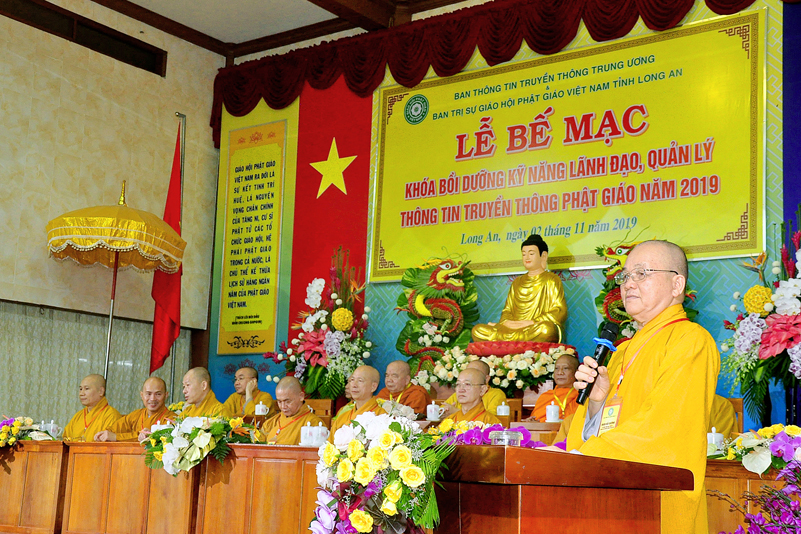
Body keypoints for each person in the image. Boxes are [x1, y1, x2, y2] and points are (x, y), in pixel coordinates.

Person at [566, 240, 719, 534]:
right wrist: (596, 404)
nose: (628, 284)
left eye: (642, 273)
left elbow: (667, 427)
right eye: (625, 276)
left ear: (677, 285)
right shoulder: (621, 351)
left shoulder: (690, 340)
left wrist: (589, 455)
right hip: (606, 491)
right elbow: (600, 430)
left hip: (655, 501)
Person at [471, 234, 567, 342]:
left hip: (533, 328)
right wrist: (507, 322)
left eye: (531, 253)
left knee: (546, 330)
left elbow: (559, 311)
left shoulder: (551, 279)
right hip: (512, 330)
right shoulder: (517, 282)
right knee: (477, 330)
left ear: (543, 256)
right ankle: (515, 341)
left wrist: (531, 322)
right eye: (524, 254)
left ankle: (511, 342)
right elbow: (507, 310)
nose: (527, 257)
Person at [94, 377, 175, 442]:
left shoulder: (172, 418)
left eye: (158, 394)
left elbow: (156, 437)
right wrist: (104, 434)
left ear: (166, 395)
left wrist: (116, 437)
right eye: (148, 394)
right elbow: (114, 429)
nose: (152, 398)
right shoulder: (136, 415)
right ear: (142, 395)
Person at [260, 376, 323, 445]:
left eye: (287, 401)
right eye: (279, 402)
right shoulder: (272, 422)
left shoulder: (313, 424)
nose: (283, 407)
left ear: (301, 396)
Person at [329, 365, 385, 439]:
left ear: (373, 387)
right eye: (352, 380)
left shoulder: (382, 417)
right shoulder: (342, 418)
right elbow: (330, 444)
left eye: (360, 381)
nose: (354, 385)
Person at [63, 374, 122, 442]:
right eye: (81, 389)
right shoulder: (78, 416)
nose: (81, 393)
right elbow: (66, 440)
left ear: (101, 391)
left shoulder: (111, 416)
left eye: (86, 389)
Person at [441, 360, 506, 417]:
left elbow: (492, 419)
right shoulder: (460, 394)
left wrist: (456, 412)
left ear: (486, 379)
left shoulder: (496, 394)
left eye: (475, 372)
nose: (469, 374)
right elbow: (441, 410)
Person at [528, 353, 579, 422]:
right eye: (557, 368)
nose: (560, 373)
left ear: (576, 372)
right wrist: (532, 422)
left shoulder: (580, 396)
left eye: (566, 368)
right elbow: (535, 420)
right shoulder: (545, 397)